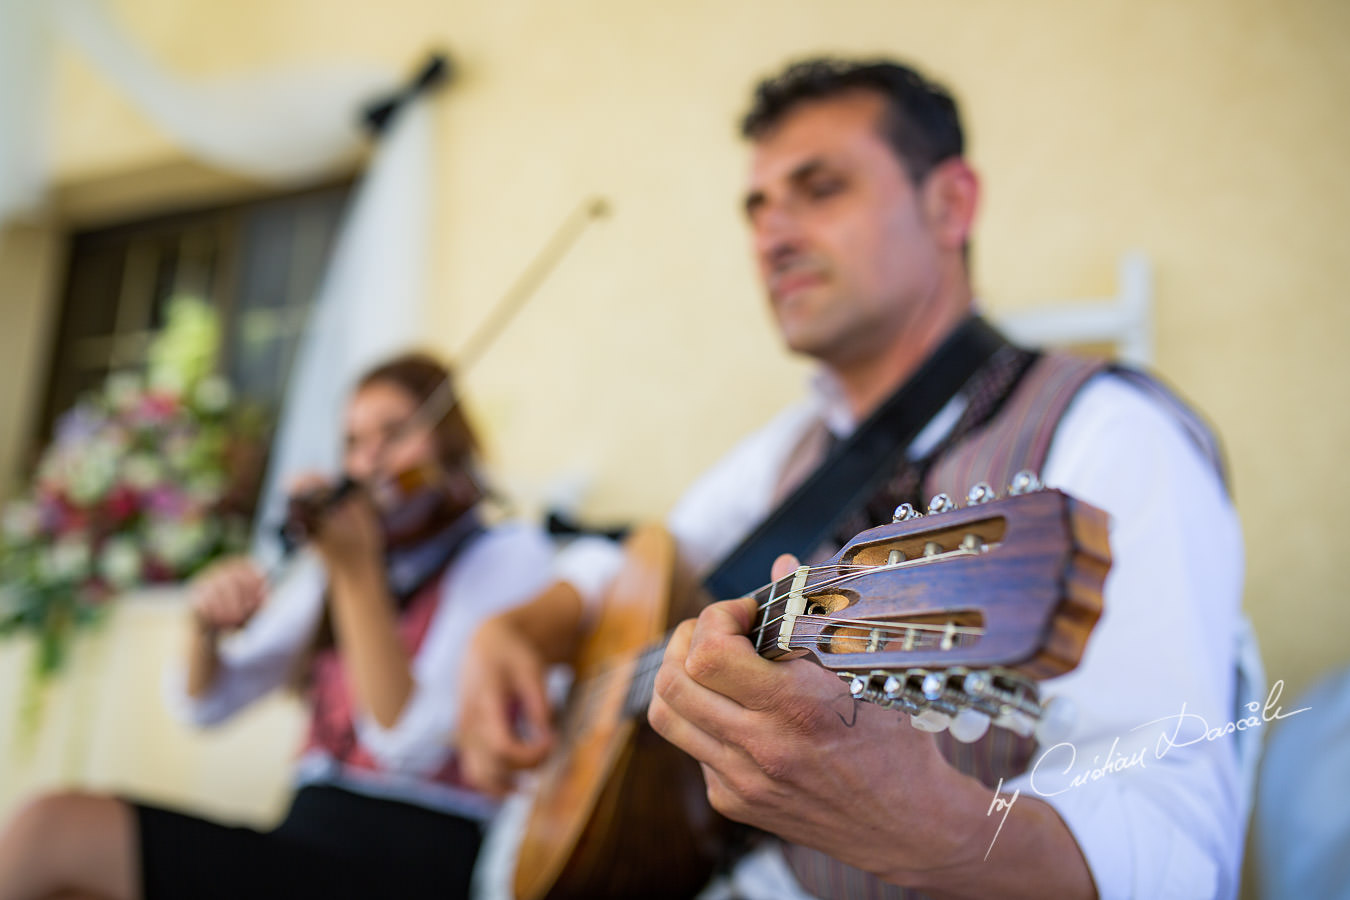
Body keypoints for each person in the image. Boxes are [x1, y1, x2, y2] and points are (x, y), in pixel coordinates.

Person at [458, 58, 1246, 899]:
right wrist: (524, 627)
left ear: (950, 204)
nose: (772, 234)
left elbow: (1175, 854)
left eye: (820, 188)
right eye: (757, 207)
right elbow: (651, 560)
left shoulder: (1111, 435)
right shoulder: (794, 445)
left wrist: (935, 832)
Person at [0, 352, 554, 900]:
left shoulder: (503, 553)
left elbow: (409, 741)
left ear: (449, 445)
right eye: (355, 444)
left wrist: (355, 573)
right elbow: (207, 705)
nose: (371, 462)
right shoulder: (337, 568)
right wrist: (205, 628)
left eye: (396, 434)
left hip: (410, 860)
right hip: (308, 838)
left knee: (50, 833)